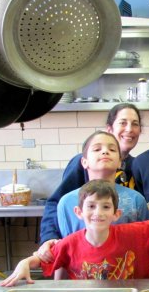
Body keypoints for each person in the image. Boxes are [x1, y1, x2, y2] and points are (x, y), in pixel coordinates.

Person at [1, 180, 149, 286]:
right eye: (91, 206)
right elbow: (41, 259)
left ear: (116, 214)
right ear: (79, 212)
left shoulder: (133, 234)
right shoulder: (70, 243)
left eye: (106, 207)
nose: (98, 213)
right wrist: (24, 263)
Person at [39, 103, 142, 245]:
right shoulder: (81, 164)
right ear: (110, 128)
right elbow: (58, 202)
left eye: (135, 124)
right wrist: (49, 237)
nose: (129, 129)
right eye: (123, 123)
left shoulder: (137, 165)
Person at [56, 131, 149, 237]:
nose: (105, 152)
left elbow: (143, 241)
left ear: (120, 162)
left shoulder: (136, 200)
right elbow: (66, 244)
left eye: (112, 149)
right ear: (84, 162)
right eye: (97, 149)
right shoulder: (66, 202)